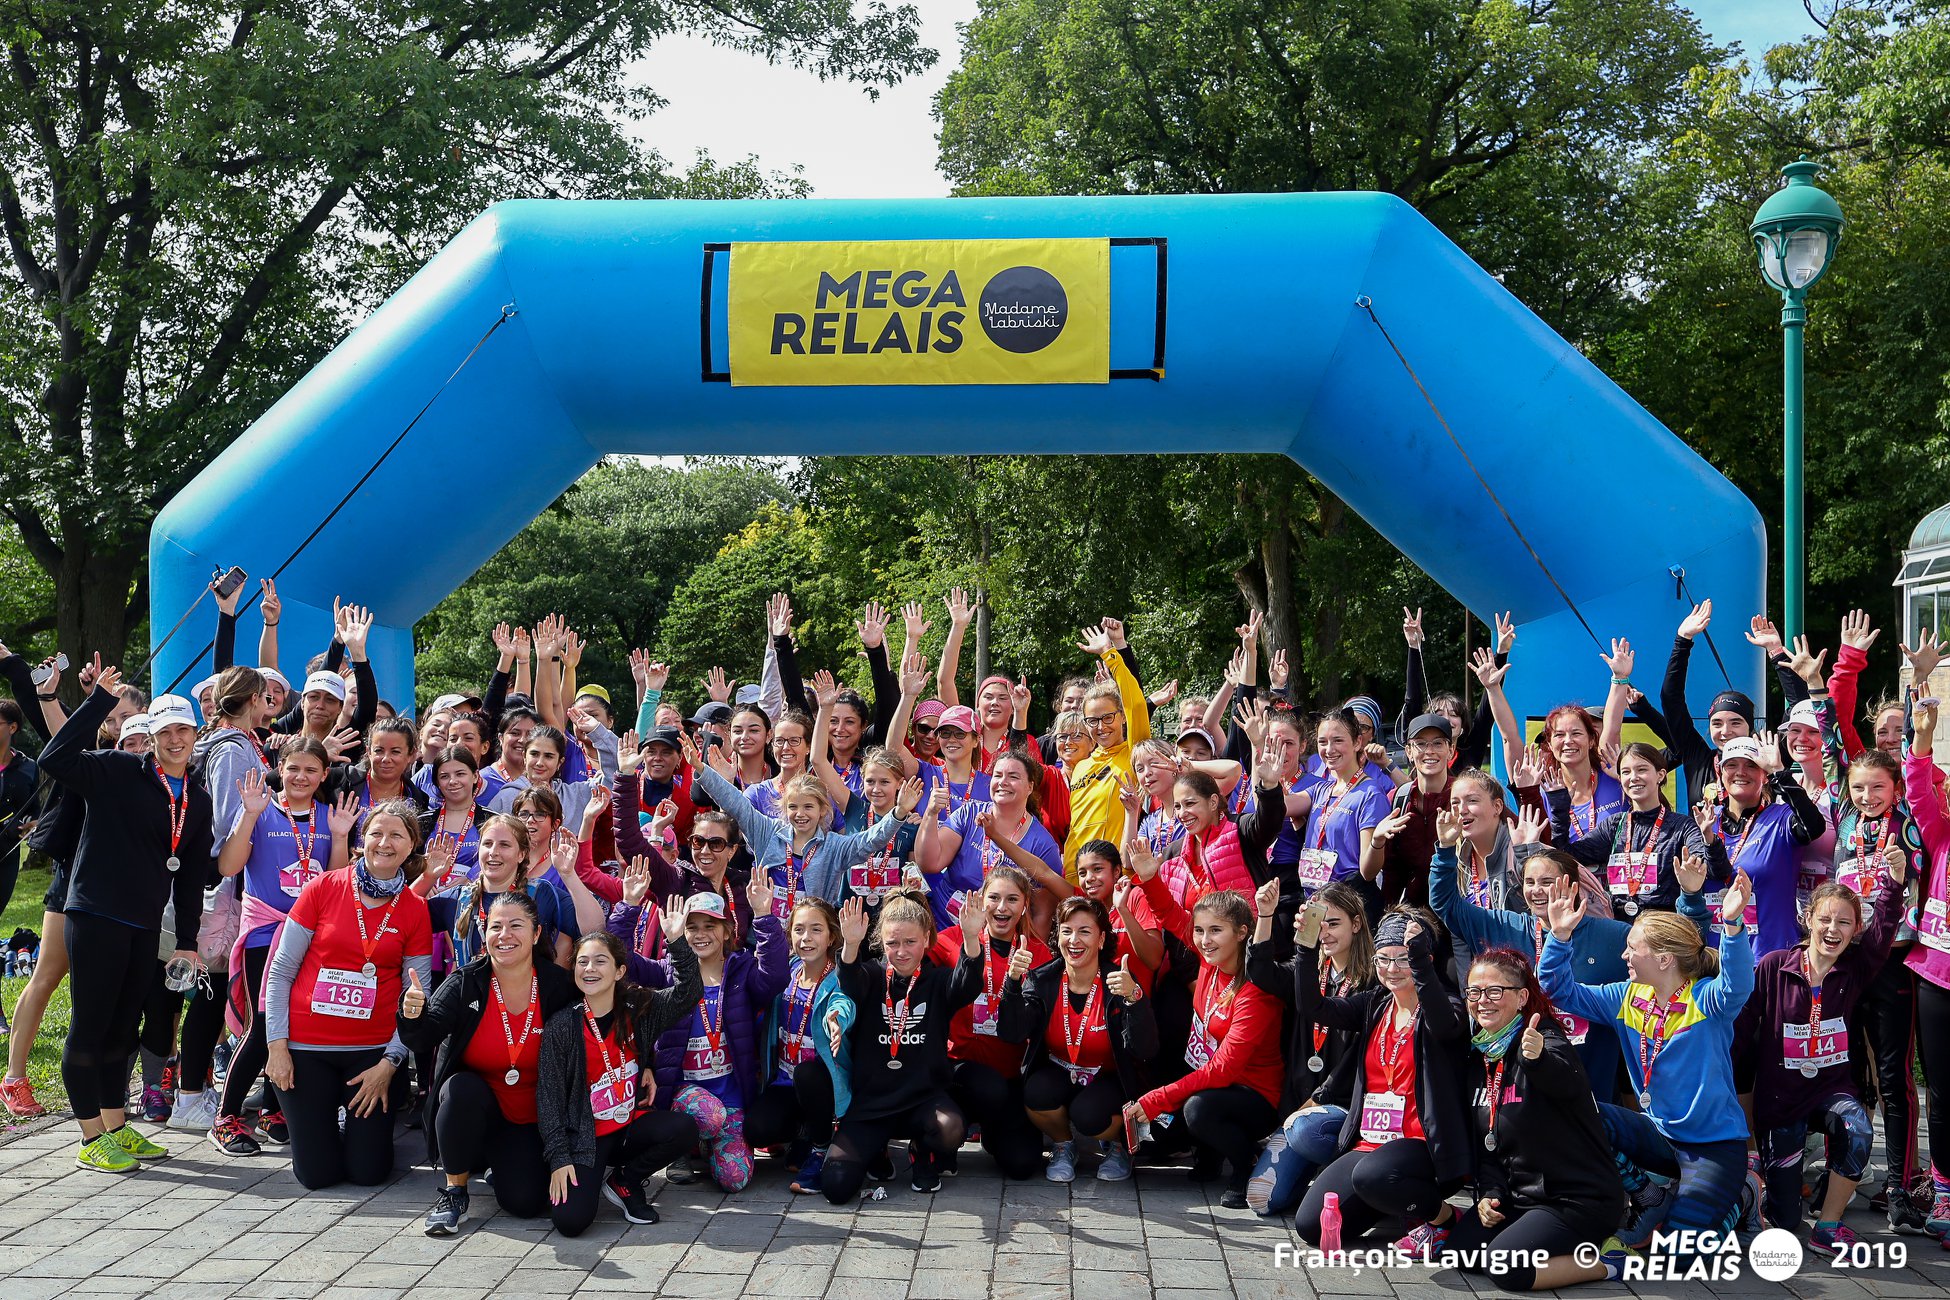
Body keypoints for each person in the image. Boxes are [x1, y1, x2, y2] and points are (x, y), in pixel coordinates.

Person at [37, 671, 212, 1173]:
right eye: (164, 732)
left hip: (144, 923)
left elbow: (191, 874)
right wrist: (98, 702)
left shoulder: (196, 798)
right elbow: (55, 760)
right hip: (95, 914)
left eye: (183, 730)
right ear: (151, 738)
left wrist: (188, 941)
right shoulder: (117, 768)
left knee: (122, 1029)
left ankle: (115, 1125)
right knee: (91, 1026)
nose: (175, 740)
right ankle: (90, 1136)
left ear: (195, 733)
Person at [1538, 869, 1757, 1251]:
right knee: (1579, 1113)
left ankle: (1746, 1194)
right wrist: (1559, 936)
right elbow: (1557, 990)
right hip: (1658, 1135)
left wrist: (1733, 924)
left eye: (1632, 948)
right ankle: (1650, 1198)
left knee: (1680, 1255)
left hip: (1713, 1147)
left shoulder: (1707, 998)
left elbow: (1737, 983)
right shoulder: (1626, 996)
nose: (1624, 955)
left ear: (1664, 958)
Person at [261, 800, 434, 1188]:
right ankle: (326, 1130)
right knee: (317, 1176)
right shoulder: (322, 888)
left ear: (411, 846)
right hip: (306, 1049)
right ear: (362, 839)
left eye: (396, 835)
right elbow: (280, 973)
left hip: (372, 1055)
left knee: (368, 1173)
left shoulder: (414, 909)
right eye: (376, 833)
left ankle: (351, 1134)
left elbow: (416, 997)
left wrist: (390, 1064)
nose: (384, 843)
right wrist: (277, 1047)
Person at [1736, 869, 1904, 1250]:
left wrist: (1894, 883)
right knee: (1784, 1221)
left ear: (1856, 928)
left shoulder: (1854, 968)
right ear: (1808, 918)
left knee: (1859, 1129)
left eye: (1844, 922)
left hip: (1831, 1093)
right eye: (1825, 919)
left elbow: (1882, 933)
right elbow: (1741, 1033)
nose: (1833, 929)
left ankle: (1828, 1226)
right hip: (1781, 1102)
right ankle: (1766, 1183)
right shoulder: (1774, 966)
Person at [1440, 949, 1626, 1290]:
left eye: (1495, 991)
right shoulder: (1481, 1055)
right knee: (1461, 1254)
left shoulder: (1545, 1038)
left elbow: (1566, 1080)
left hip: (1576, 1198)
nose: (1483, 1001)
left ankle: (1608, 1261)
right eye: (1475, 992)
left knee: (1505, 1268)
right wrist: (1490, 1194)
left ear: (1522, 997)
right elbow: (1489, 1145)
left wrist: (1537, 1058)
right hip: (1521, 1198)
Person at [1292, 906, 1472, 1247]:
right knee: (1311, 1226)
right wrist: (1305, 947)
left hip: (1423, 1146)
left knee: (1373, 1174)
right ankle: (1398, 1203)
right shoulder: (1375, 1003)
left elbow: (1443, 1027)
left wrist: (1420, 964)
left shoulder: (1447, 1005)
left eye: (1403, 959)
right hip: (1372, 1145)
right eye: (1383, 959)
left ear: (1425, 958)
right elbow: (1313, 1007)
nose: (1392, 969)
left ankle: (1445, 1217)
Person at [210, 741, 357, 1157]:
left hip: (312, 936)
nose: (301, 777)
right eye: (293, 768)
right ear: (280, 768)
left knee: (299, 1025)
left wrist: (340, 837)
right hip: (266, 933)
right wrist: (249, 815)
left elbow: (336, 884)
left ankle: (273, 1110)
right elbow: (228, 867)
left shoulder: (331, 816)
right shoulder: (260, 809)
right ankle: (226, 1116)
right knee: (263, 1027)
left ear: (324, 774)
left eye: (311, 770)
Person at [403, 890, 579, 1235]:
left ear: (536, 933)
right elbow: (423, 1037)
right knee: (460, 1089)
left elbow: (601, 1027)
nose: (504, 935)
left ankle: (494, 1163)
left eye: (516, 926)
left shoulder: (558, 986)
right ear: (484, 933)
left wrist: (645, 1063)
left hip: (532, 1116)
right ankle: (455, 1191)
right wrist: (411, 1014)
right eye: (496, 926)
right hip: (476, 1106)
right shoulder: (465, 982)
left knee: (524, 1203)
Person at [1125, 888, 1286, 1209]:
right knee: (1161, 1133)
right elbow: (1169, 913)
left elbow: (1223, 1071)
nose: (1204, 940)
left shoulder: (1256, 992)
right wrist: (1149, 877)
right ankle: (1210, 1150)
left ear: (1242, 933)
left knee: (1197, 1111)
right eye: (1199, 930)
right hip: (1208, 1077)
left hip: (1254, 1095)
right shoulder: (1209, 959)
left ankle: (1246, 1165)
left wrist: (1160, 1098)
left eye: (1215, 930)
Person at [823, 889, 985, 1202]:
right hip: (872, 1105)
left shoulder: (938, 981)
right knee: (836, 1186)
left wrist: (970, 937)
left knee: (951, 1128)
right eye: (892, 943)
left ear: (926, 939)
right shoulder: (871, 975)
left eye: (910, 942)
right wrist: (851, 945)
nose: (901, 952)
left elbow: (968, 985)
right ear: (881, 942)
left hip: (922, 1100)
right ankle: (877, 1151)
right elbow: (850, 983)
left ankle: (923, 1152)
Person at [537, 929, 701, 1233]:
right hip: (587, 1138)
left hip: (629, 1126)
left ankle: (625, 1181)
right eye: (582, 962)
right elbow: (549, 1099)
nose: (590, 969)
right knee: (570, 1222)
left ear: (619, 971)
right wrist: (559, 1158)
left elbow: (688, 993)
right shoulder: (562, 1025)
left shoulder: (639, 1008)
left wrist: (677, 941)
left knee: (684, 1128)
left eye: (600, 961)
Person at [1829, 745, 1926, 1226]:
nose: (1867, 795)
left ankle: (1901, 1184)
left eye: (1878, 787)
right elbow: (1833, 747)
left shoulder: (1907, 823)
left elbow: (1922, 880)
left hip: (1892, 962)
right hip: (1849, 960)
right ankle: (1842, 1174)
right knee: (1846, 1074)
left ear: (1897, 788)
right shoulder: (1846, 818)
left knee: (1893, 1078)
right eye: (1858, 787)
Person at [999, 895, 1156, 1185]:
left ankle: (1118, 1146)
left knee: (1088, 1114)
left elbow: (1145, 1049)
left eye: (1084, 931)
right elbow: (1012, 1033)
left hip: (1108, 1078)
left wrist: (1135, 999)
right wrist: (1012, 982)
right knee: (1036, 1092)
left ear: (1101, 939)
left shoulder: (1118, 981)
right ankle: (1063, 1145)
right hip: (1060, 1069)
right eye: (1067, 931)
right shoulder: (1042, 979)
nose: (1074, 940)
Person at [1243, 879, 1377, 1216]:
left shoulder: (1376, 980)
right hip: (1300, 1105)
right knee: (1262, 1200)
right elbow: (1260, 972)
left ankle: (1338, 1174)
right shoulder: (1309, 970)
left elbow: (1357, 1059)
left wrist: (1318, 1099)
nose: (1325, 933)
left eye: (1334, 923)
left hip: (1343, 1107)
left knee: (1306, 1132)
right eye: (1319, 924)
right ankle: (1313, 1176)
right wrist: (1265, 914)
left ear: (1356, 924)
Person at [647, 881, 787, 1193]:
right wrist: (629, 906)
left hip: (730, 1098)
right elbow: (624, 964)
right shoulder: (670, 971)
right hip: (685, 1095)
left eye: (709, 926)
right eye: (692, 927)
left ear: (726, 932)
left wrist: (764, 916)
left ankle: (703, 1143)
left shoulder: (742, 970)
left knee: (735, 1179)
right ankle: (681, 1143)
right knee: (710, 1116)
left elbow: (776, 977)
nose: (700, 934)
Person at [928, 867, 1051, 1180]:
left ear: (1025, 905)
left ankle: (992, 1133)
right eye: (994, 898)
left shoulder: (1038, 954)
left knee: (1022, 1165)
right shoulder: (952, 940)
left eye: (1012, 900)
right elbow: (907, 961)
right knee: (985, 1089)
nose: (1002, 907)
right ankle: (948, 1132)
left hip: (1009, 1076)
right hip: (959, 1069)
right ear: (981, 900)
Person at [746, 897, 854, 1195]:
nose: (806, 938)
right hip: (784, 1080)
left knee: (808, 1074)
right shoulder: (787, 972)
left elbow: (844, 1003)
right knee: (756, 1130)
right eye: (799, 929)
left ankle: (821, 1146)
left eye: (816, 929)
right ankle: (802, 1133)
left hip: (821, 1084)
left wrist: (837, 1019)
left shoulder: (839, 977)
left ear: (831, 936)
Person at [1549, 742, 1709, 920]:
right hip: (1619, 926)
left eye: (1642, 770)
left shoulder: (1682, 826)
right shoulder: (1614, 825)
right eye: (1626, 772)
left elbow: (1704, 864)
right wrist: (1560, 808)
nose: (1633, 777)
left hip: (1663, 928)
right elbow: (1566, 855)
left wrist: (1708, 844)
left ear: (1660, 775)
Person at [1699, 734, 1824, 957]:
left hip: (1769, 958)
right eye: (1732, 765)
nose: (1741, 772)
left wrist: (1779, 772)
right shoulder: (1706, 820)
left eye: (1751, 765)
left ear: (1764, 775)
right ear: (1721, 773)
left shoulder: (1781, 818)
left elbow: (1814, 826)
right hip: (1715, 956)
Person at [1899, 697, 1950, 1240]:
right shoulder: (1941, 834)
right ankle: (1943, 1189)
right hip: (1938, 977)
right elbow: (1917, 789)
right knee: (1942, 1090)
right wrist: (1923, 735)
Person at [1062, 622, 1151, 885]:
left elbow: (1136, 703)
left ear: (1122, 717)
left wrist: (1110, 653)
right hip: (1077, 878)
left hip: (1117, 878)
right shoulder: (1081, 766)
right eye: (1092, 721)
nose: (1101, 727)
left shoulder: (1135, 752)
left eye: (1108, 717)